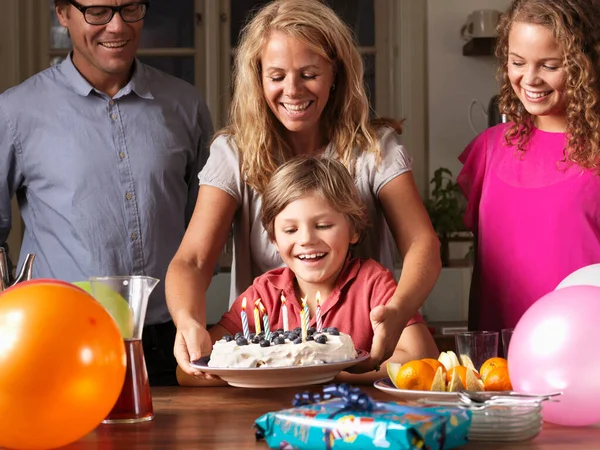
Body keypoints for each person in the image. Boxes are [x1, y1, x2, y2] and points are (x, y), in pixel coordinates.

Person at [167, 0, 441, 377]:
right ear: (258, 78)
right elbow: (193, 260)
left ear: (335, 75)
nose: (292, 90)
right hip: (264, 354)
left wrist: (397, 312)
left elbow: (421, 245)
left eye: (309, 73)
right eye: (276, 76)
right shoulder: (234, 153)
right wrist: (188, 322)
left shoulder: (376, 149)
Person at [0, 0, 214, 385]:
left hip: (171, 345)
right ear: (63, 13)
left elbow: (200, 235)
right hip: (59, 342)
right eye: (98, 11)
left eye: (129, 8)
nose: (117, 27)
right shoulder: (15, 112)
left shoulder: (187, 105)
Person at [177, 156, 439, 386]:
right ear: (274, 240)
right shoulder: (264, 295)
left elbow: (422, 356)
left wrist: (331, 374)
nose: (306, 239)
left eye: (323, 225)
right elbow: (189, 371)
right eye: (290, 230)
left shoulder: (372, 283)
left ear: (354, 230)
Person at [458, 0, 600, 332]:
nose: (530, 79)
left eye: (550, 65)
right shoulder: (489, 148)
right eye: (517, 62)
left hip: (585, 351)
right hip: (497, 361)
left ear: (587, 64)